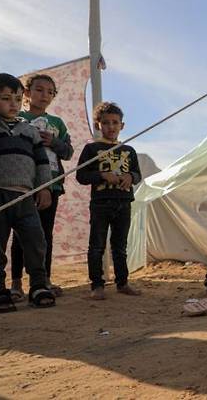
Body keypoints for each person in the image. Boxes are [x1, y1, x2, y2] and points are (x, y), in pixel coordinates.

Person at [0, 73, 55, 313]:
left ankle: (38, 286)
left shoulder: (29, 131)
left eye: (17, 98)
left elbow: (41, 163)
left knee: (35, 241)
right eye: (6, 98)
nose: (13, 103)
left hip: (25, 197)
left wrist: (45, 188)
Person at [10, 74, 73, 300]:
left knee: (44, 234)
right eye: (39, 89)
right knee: (20, 234)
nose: (44, 95)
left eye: (49, 91)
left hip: (52, 185)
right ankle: (16, 283)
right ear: (27, 93)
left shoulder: (57, 124)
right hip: (23, 185)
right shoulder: (17, 118)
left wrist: (54, 142)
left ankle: (44, 279)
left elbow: (68, 152)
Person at [76, 102, 142, 300]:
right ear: (98, 125)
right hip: (101, 203)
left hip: (124, 203)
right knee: (96, 245)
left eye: (115, 122)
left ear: (122, 125)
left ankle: (123, 283)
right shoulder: (91, 149)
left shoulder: (129, 150)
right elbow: (81, 176)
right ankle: (97, 285)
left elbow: (138, 174)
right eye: (106, 123)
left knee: (120, 245)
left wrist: (130, 177)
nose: (111, 127)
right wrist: (103, 176)